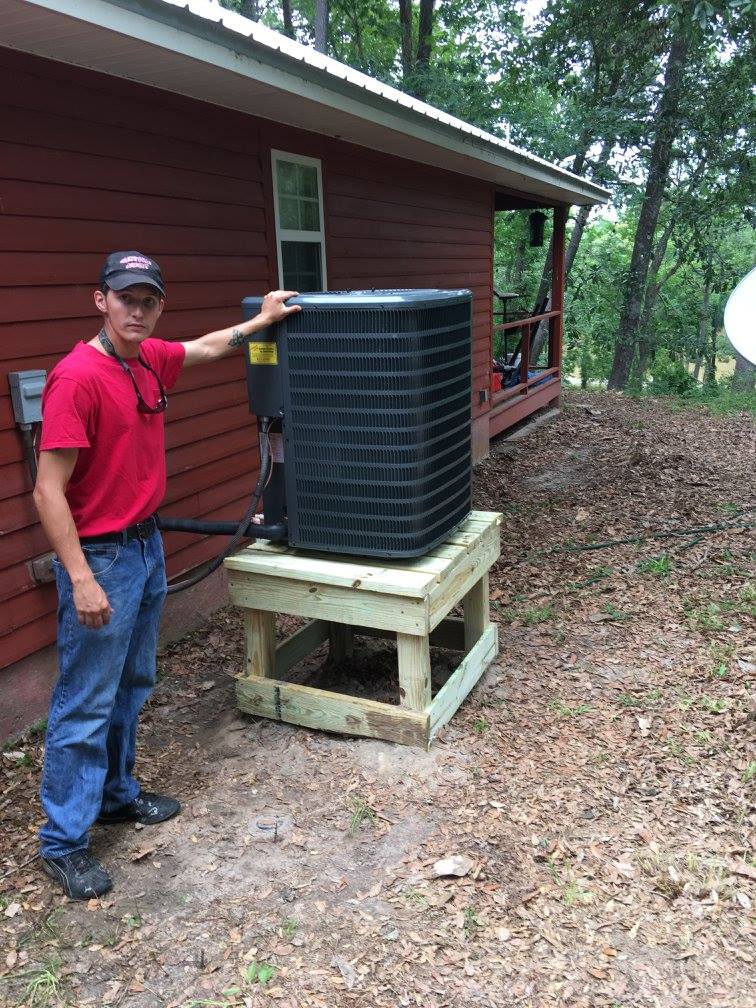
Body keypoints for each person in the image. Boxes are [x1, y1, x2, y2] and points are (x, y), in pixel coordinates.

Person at [33, 251, 300, 900]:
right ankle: (62, 843)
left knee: (133, 684)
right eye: (125, 297)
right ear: (101, 300)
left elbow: (206, 348)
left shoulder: (147, 358)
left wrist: (260, 322)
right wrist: (82, 578)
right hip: (101, 559)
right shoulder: (78, 378)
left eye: (148, 299)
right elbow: (47, 491)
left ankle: (118, 796)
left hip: (145, 549)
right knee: (86, 701)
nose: (136, 309)